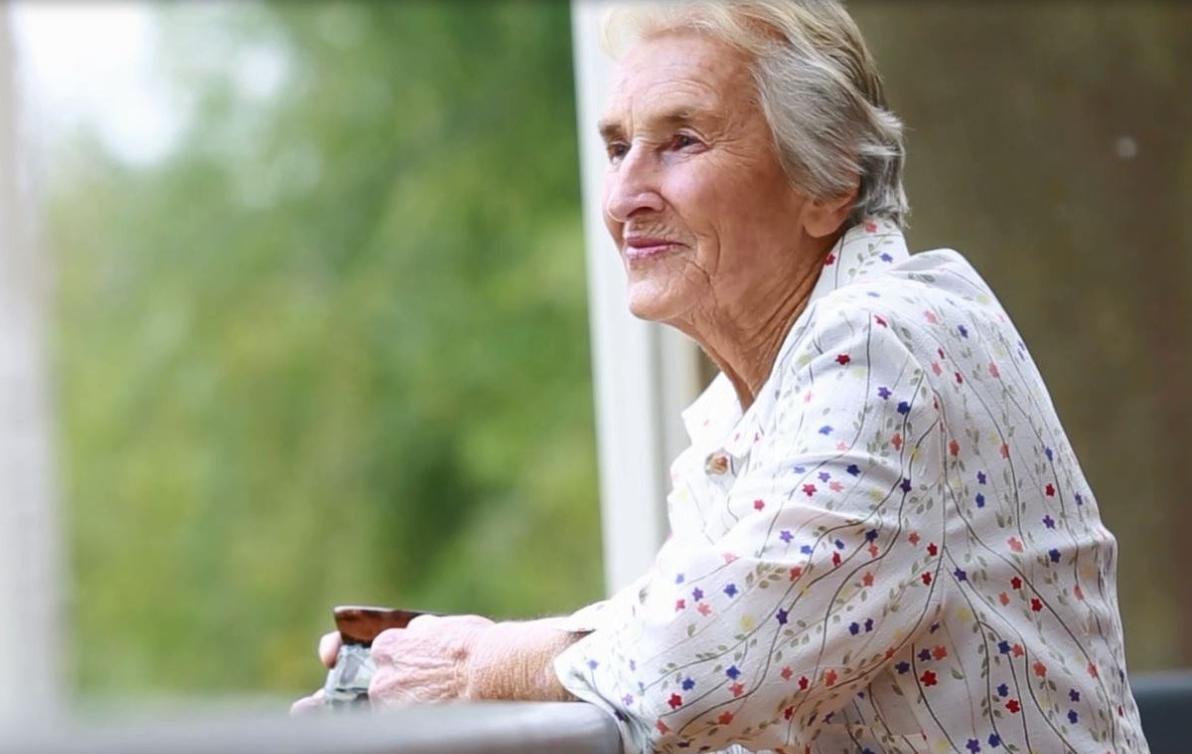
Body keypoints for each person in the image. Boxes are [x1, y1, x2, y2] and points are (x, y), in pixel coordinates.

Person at [293, 2, 1149, 752]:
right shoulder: (753, 415)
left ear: (828, 182)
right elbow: (707, 663)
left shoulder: (888, 338)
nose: (625, 194)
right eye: (618, 147)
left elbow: (704, 655)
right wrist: (435, 674)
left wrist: (474, 664)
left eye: (680, 141)